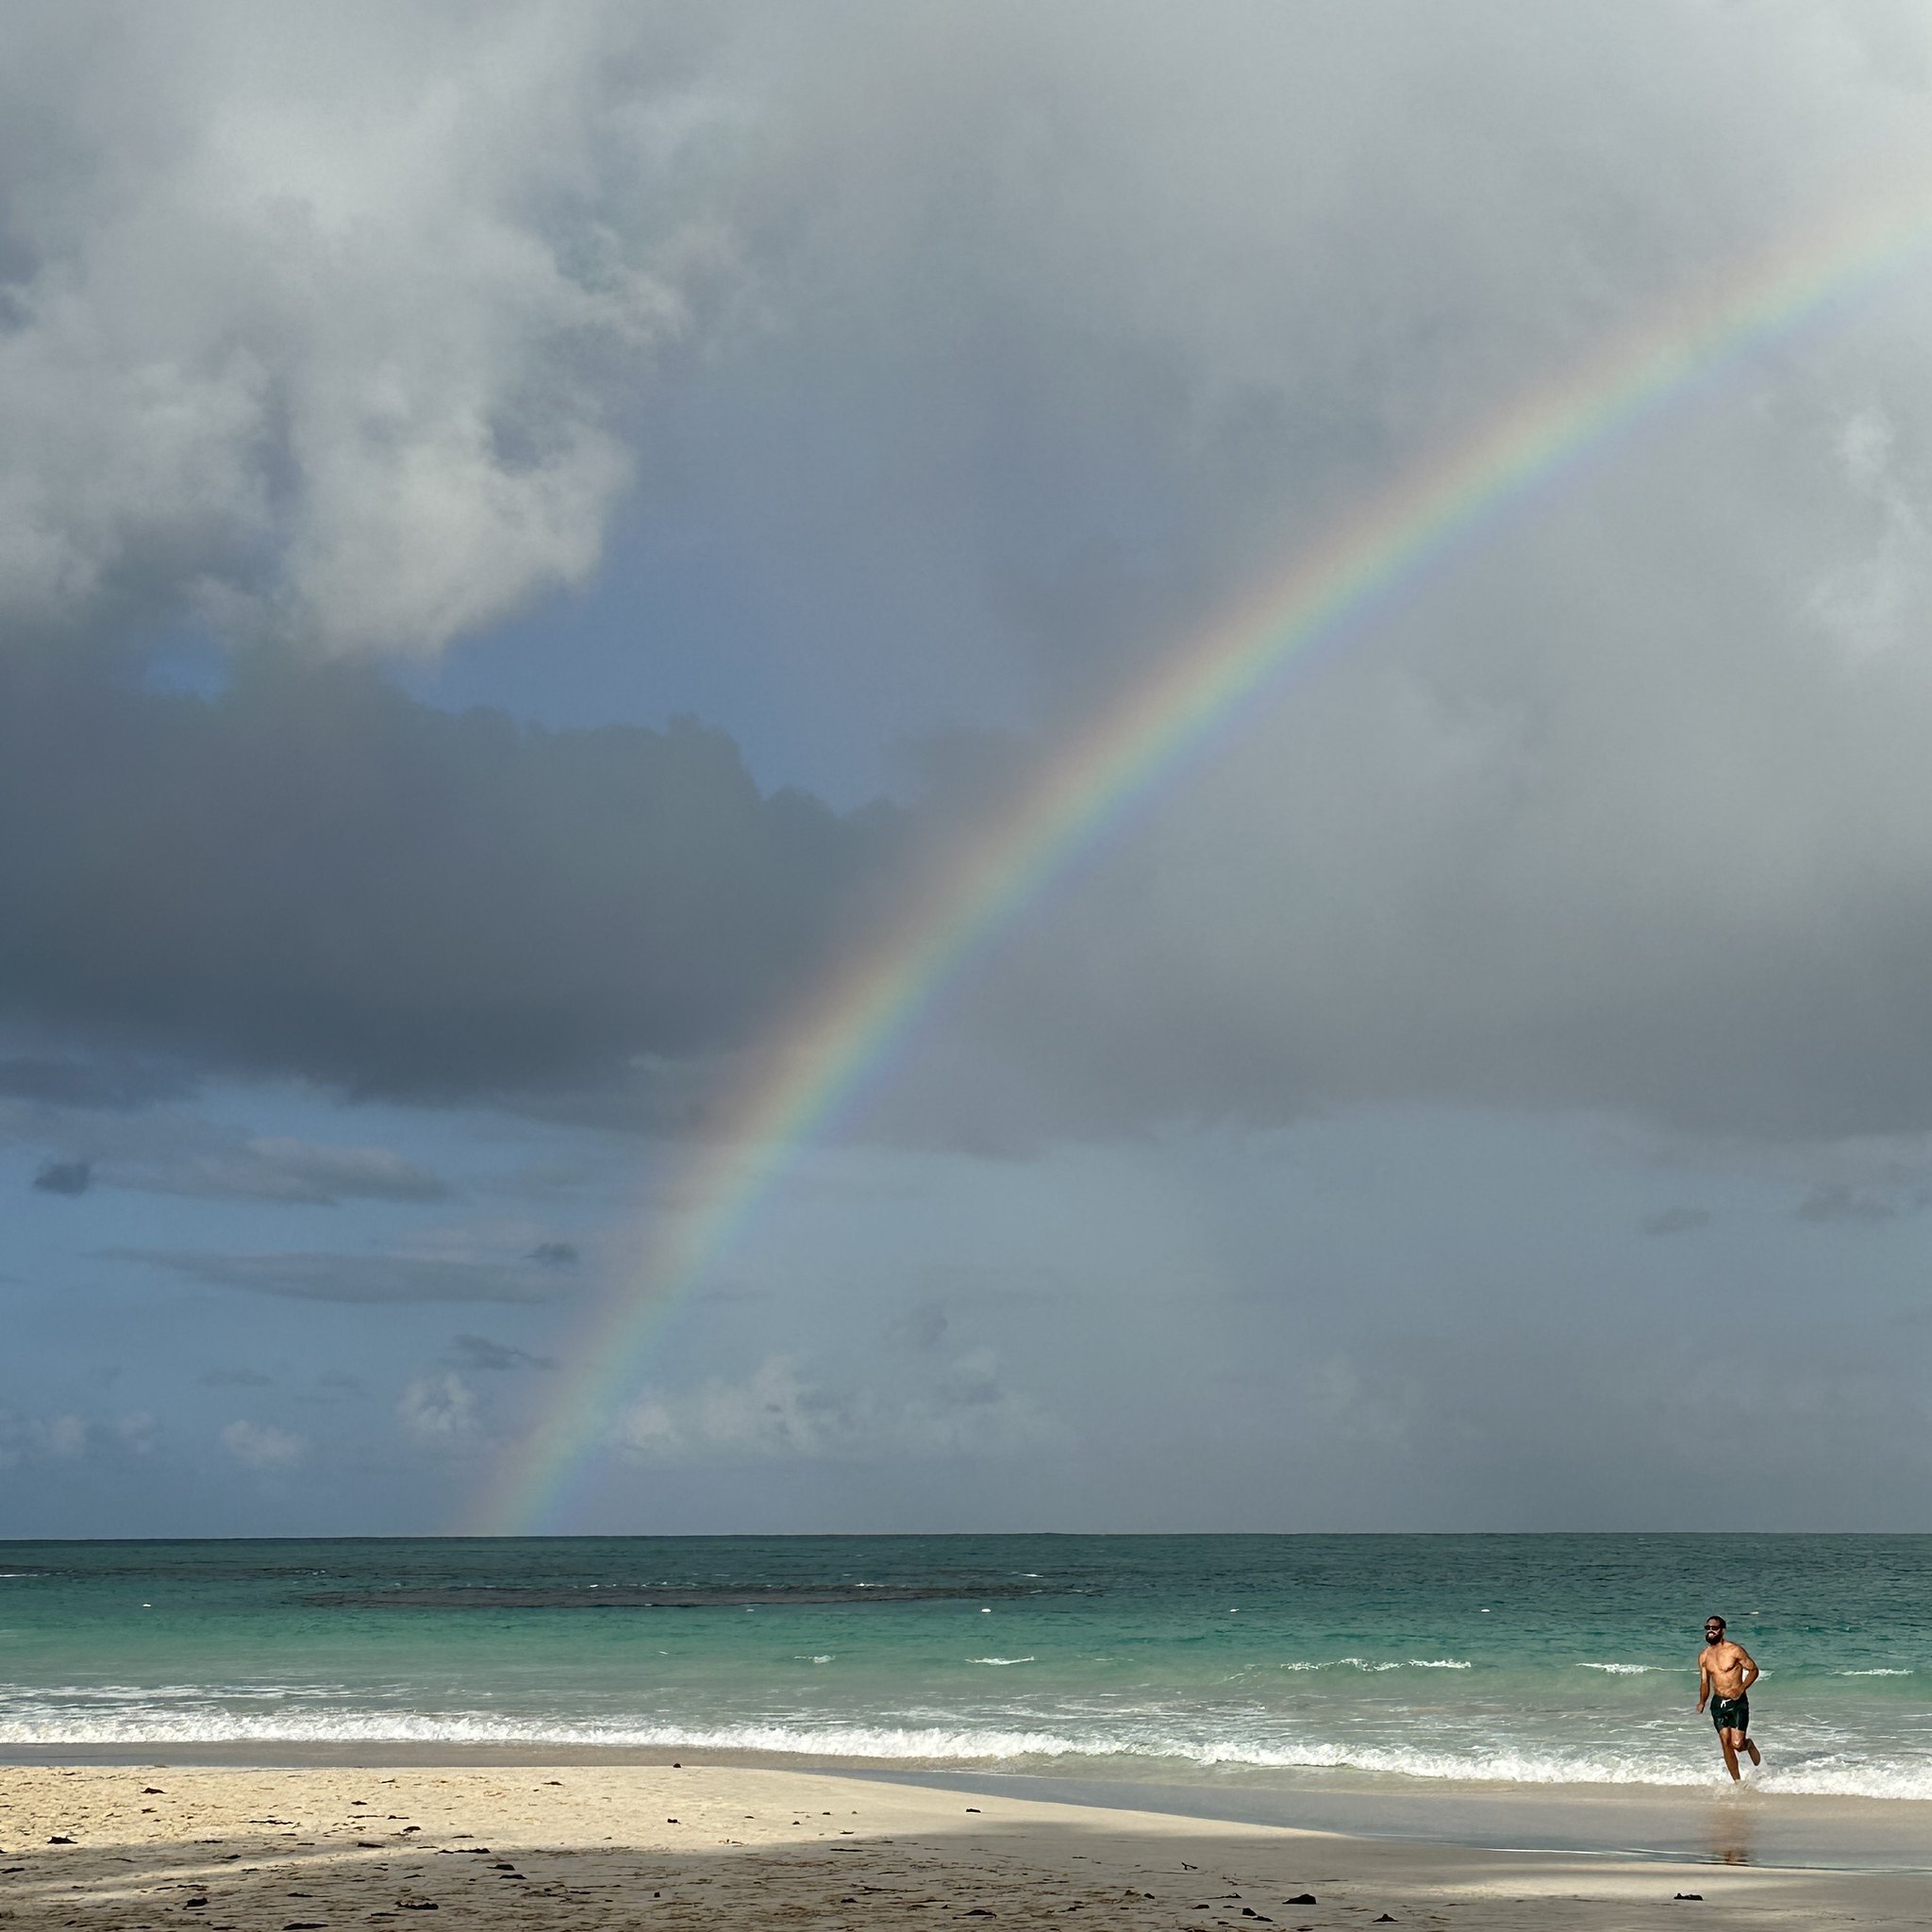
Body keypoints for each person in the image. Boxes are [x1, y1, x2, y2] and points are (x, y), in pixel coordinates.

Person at [1696, 1614, 1761, 1780]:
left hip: (1737, 1702)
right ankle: (1738, 1783)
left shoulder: (1734, 1650)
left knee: (1737, 1745)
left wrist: (1741, 1688)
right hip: (1718, 1703)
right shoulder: (1704, 1656)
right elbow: (1704, 1682)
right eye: (1708, 1628)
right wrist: (1702, 1701)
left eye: (1714, 1628)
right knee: (1725, 1744)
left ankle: (1749, 1745)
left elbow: (1754, 1670)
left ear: (1722, 1630)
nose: (1711, 1631)